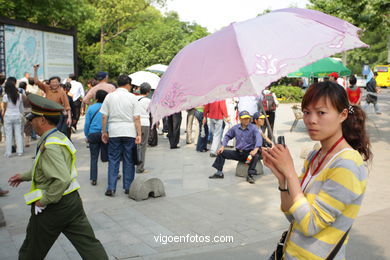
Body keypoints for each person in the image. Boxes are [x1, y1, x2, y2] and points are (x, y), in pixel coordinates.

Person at [263, 81, 370, 259]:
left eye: (321, 112)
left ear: (343, 115)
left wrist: (290, 172)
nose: (311, 120)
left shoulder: (347, 164)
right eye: (306, 112)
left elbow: (310, 225)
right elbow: (294, 216)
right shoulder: (315, 155)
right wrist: (283, 180)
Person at [8, 94, 108, 260]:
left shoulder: (50, 145)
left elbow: (61, 178)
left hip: (54, 206)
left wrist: (44, 200)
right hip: (71, 202)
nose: (31, 122)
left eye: (33, 118)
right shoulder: (59, 137)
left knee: (31, 250)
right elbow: (50, 168)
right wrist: (25, 176)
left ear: (42, 120)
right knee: (89, 244)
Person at [100, 75, 142, 196]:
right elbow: (137, 118)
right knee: (129, 160)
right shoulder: (132, 98)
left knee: (113, 159)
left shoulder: (110, 96)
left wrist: (104, 132)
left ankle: (111, 187)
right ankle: (128, 187)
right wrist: (139, 134)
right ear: (128, 85)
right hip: (129, 131)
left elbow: (104, 116)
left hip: (114, 131)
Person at [209, 111, 262, 184]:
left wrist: (256, 149)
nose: (246, 120)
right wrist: (223, 146)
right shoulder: (236, 128)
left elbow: (259, 138)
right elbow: (227, 136)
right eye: (244, 118)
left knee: (256, 155)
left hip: (249, 153)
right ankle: (219, 173)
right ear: (240, 119)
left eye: (248, 118)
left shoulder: (253, 128)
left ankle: (250, 175)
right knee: (222, 153)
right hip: (238, 153)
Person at [33, 65, 72, 135]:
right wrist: (35, 71)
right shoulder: (47, 88)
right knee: (48, 132)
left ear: (59, 83)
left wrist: (69, 118)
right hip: (47, 114)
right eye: (52, 82)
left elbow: (67, 106)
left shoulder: (62, 92)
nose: (54, 84)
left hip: (58, 116)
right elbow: (36, 82)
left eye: (56, 82)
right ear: (49, 83)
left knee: (57, 132)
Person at [84, 90, 108, 186]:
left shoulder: (91, 108)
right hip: (105, 134)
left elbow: (87, 123)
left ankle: (94, 178)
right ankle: (115, 173)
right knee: (110, 156)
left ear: (96, 98)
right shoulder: (108, 108)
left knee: (94, 157)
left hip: (93, 134)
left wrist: (86, 135)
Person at [2, 80, 24, 157]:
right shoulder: (20, 95)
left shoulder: (5, 96)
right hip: (17, 115)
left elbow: (4, 108)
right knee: (18, 134)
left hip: (8, 115)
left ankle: (8, 152)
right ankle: (20, 151)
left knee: (8, 135)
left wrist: (3, 115)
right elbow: (20, 107)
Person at [136, 82, 151, 173]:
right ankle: (140, 167)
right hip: (144, 123)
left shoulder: (134, 99)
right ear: (148, 91)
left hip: (135, 123)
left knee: (136, 144)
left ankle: (134, 163)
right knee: (143, 145)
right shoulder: (148, 101)